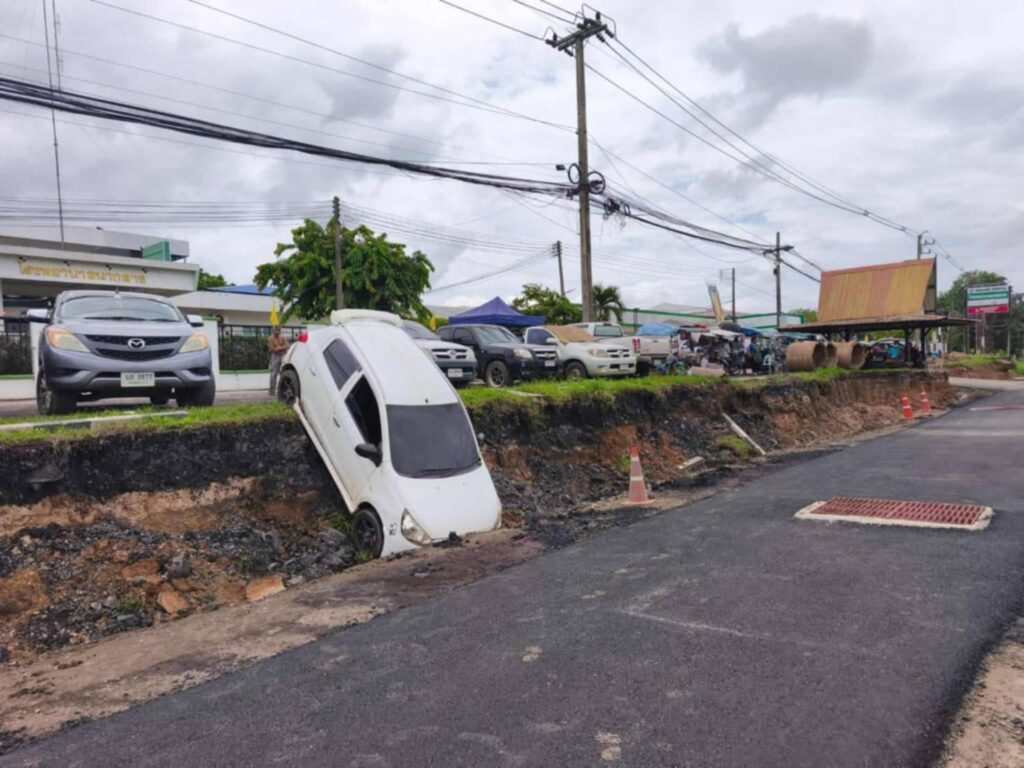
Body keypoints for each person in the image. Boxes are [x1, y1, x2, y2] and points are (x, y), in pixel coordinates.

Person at [267, 325, 290, 395]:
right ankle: (272, 391)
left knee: (284, 373)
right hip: (275, 357)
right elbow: (272, 349)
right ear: (273, 331)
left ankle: (284, 390)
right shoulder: (270, 338)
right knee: (273, 374)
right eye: (276, 330)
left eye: (279, 330)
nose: (278, 331)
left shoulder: (282, 337)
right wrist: (282, 347)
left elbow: (287, 346)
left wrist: (279, 347)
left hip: (283, 356)